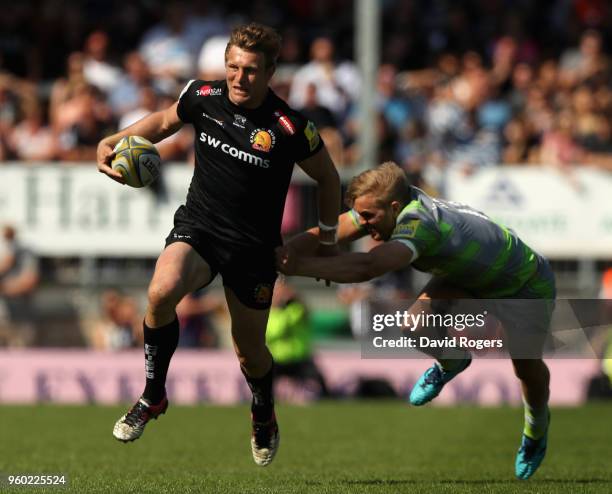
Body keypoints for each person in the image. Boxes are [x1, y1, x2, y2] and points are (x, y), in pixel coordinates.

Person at [96, 23, 341, 467]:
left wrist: (326, 241)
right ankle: (153, 396)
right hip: (200, 228)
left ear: (269, 72)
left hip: (252, 249)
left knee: (249, 351)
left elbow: (327, 178)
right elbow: (163, 122)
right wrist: (114, 141)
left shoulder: (290, 127)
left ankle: (263, 411)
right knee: (159, 292)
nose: (238, 78)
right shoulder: (203, 97)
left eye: (249, 70)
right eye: (232, 66)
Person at [277, 162, 556, 480]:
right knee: (414, 325)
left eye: (369, 217)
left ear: (393, 208)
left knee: (526, 367)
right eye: (362, 215)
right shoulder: (388, 203)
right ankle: (453, 361)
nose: (364, 224)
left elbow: (367, 267)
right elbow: (334, 229)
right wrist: (284, 251)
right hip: (467, 274)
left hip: (523, 282)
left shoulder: (419, 223)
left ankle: (535, 430)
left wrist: (299, 266)